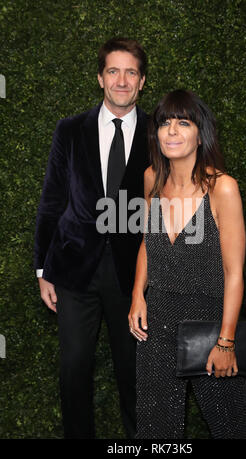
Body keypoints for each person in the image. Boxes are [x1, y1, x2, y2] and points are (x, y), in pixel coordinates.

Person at [34, 37, 149, 439]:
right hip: (73, 269)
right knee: (74, 371)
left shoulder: (160, 135)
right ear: (100, 79)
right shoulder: (69, 130)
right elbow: (52, 200)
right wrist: (42, 268)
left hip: (133, 275)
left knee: (135, 373)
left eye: (130, 72)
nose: (122, 80)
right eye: (113, 71)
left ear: (142, 81)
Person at [128, 89, 246, 439]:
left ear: (201, 134)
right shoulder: (152, 177)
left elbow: (234, 273)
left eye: (183, 123)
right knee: (155, 432)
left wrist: (226, 342)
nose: (172, 131)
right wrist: (138, 294)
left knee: (231, 429)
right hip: (157, 322)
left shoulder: (222, 188)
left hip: (210, 324)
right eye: (165, 123)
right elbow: (148, 244)